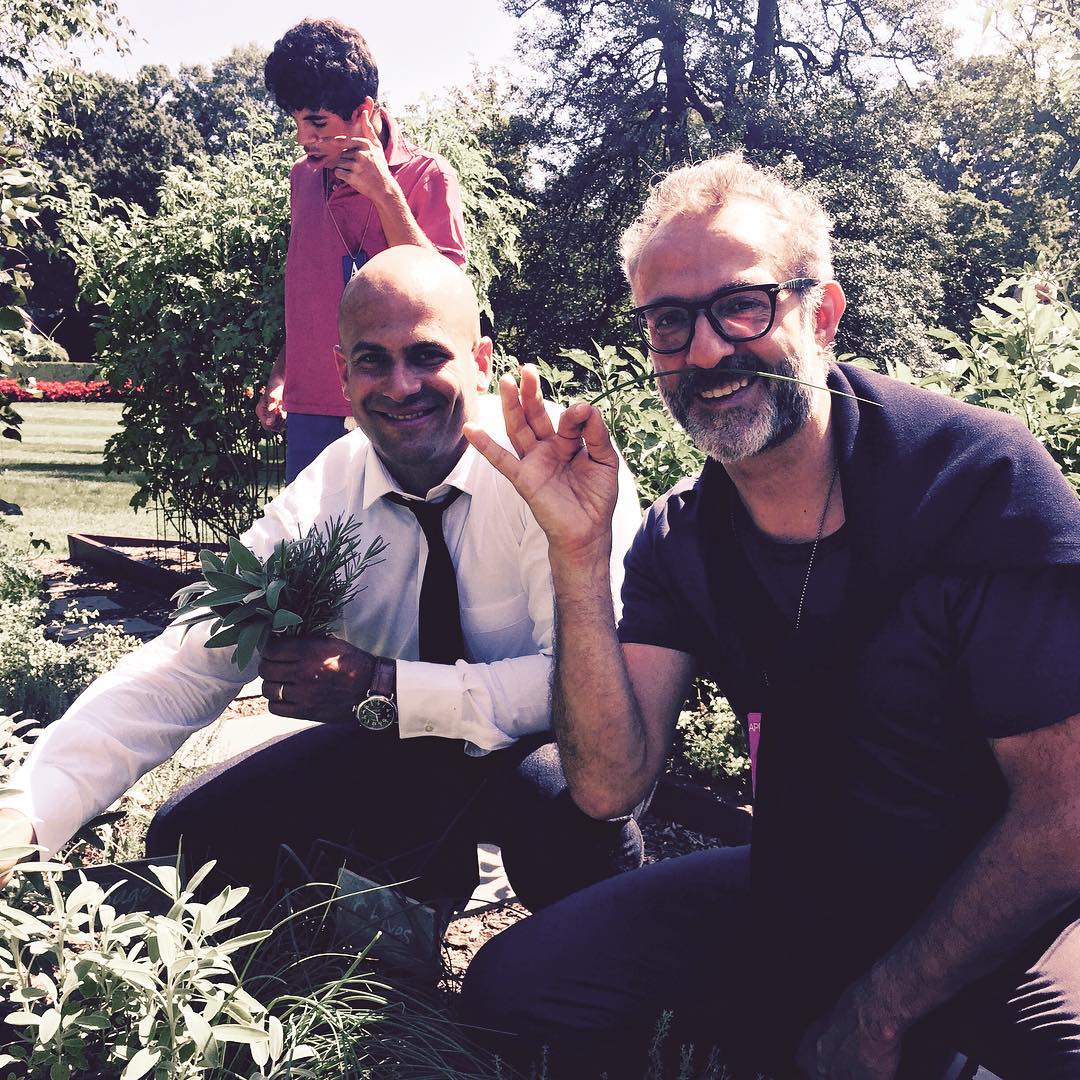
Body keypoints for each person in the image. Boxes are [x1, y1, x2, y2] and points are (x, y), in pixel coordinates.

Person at [460, 153, 1080, 1078]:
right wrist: (579, 554)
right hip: (807, 878)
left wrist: (879, 1009)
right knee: (519, 985)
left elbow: (1065, 814)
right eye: (670, 323)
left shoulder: (977, 484)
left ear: (820, 313)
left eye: (741, 305)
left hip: (1012, 894)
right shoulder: (684, 537)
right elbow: (607, 787)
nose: (706, 350)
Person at [0, 248, 643, 929]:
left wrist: (384, 686)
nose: (400, 386)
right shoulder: (330, 490)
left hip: (552, 745)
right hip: (401, 740)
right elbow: (190, 660)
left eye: (427, 355)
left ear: (480, 361)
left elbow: (587, 690)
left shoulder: (554, 478)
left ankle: (584, 975)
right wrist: (27, 811)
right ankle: (419, 880)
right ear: (342, 374)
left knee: (558, 809)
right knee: (190, 839)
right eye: (372, 360)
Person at [255, 18, 467, 482]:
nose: (302, 138)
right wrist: (283, 373)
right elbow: (311, 292)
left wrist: (385, 193)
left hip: (398, 407)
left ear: (364, 110)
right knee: (313, 553)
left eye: (316, 123)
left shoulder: (428, 175)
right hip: (310, 406)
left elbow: (448, 300)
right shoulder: (302, 179)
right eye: (295, 122)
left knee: (399, 551)